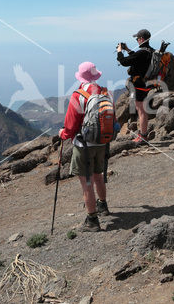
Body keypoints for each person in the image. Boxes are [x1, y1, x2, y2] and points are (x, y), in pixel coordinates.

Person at [59, 62, 111, 232]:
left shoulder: (78, 95)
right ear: (96, 76)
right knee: (98, 175)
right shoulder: (105, 92)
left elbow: (70, 125)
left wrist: (63, 134)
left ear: (81, 77)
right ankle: (102, 206)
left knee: (86, 181)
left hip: (83, 145)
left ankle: (92, 220)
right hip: (102, 142)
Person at [117, 29, 154, 143]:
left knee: (141, 110)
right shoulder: (150, 51)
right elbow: (137, 59)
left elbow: (124, 62)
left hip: (139, 85)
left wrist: (119, 51)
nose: (137, 40)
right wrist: (128, 49)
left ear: (142, 39)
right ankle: (143, 134)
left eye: (137, 39)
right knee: (142, 109)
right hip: (147, 83)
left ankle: (143, 136)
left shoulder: (142, 52)